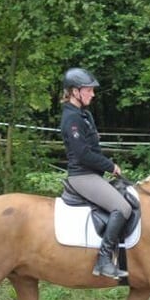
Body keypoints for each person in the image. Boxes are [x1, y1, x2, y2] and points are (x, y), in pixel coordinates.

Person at [60, 67, 132, 279]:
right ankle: (103, 260)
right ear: (74, 92)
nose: (93, 94)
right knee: (122, 207)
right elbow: (83, 154)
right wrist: (110, 166)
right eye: (88, 90)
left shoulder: (84, 115)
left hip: (92, 174)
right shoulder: (71, 119)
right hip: (81, 176)